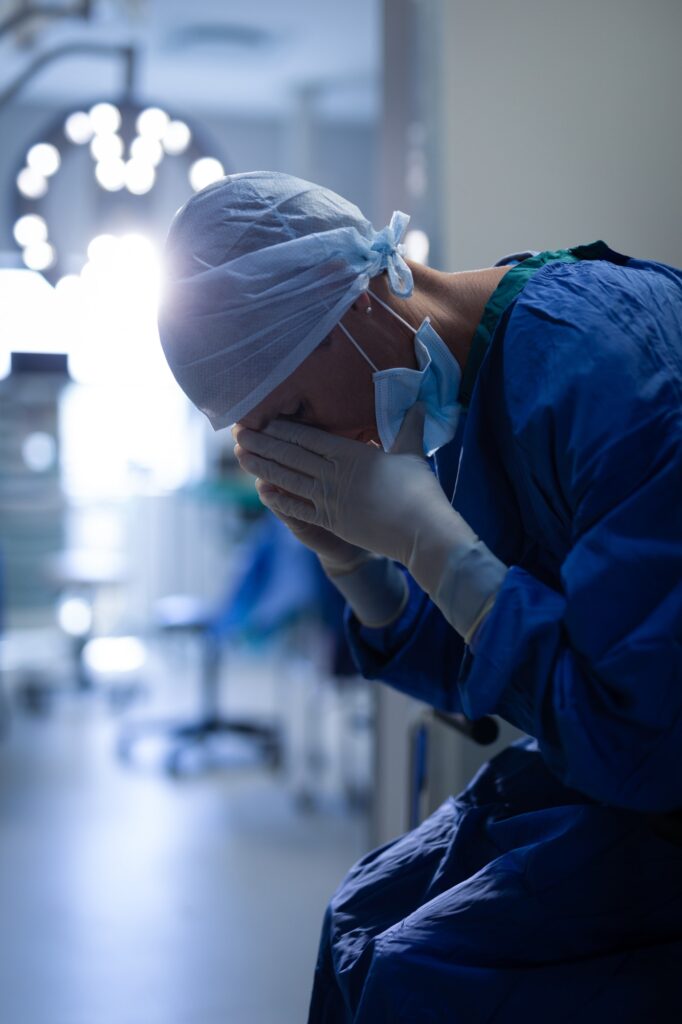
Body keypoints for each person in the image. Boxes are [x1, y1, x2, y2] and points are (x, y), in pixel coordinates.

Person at [158, 171, 682, 1023]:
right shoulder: (441, 402)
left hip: (650, 771)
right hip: (612, 771)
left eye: (292, 410)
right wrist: (359, 571)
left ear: (355, 300)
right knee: (357, 921)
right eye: (267, 435)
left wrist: (434, 546)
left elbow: (640, 739)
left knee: (418, 977)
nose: (300, 447)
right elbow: (495, 659)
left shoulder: (611, 370)